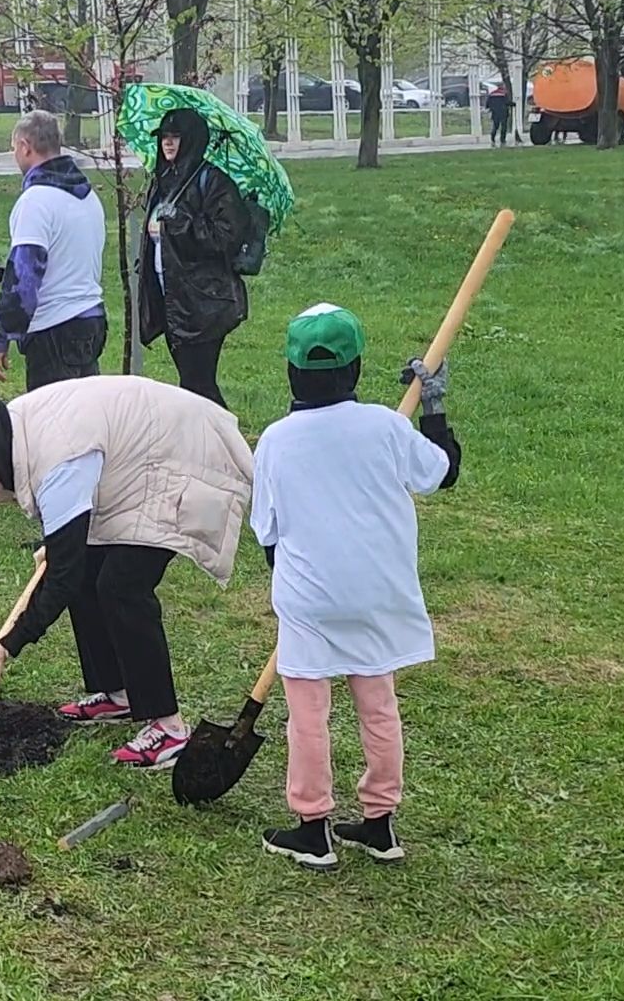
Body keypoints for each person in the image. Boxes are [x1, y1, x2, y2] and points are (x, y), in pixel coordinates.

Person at [0, 376, 255, 770]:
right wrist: (60, 545)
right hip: (137, 454)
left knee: (122, 587)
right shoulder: (10, 430)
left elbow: (62, 578)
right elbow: (70, 556)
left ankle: (168, 729)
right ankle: (117, 692)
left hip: (179, 452)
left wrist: (3, 650)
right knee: (88, 575)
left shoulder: (58, 455)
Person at [249, 303, 460, 869]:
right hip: (378, 593)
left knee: (308, 714)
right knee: (378, 705)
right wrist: (432, 403)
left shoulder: (275, 440)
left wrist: (298, 595)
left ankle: (314, 830)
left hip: (310, 597)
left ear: (292, 372)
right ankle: (379, 824)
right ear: (357, 368)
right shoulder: (387, 427)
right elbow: (444, 470)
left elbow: (266, 533)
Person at [137, 107, 252, 410]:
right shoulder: (163, 181)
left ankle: (225, 442)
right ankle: (206, 443)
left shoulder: (212, 182)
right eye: (164, 137)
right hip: (171, 299)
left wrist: (183, 223)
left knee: (197, 383)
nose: (168, 144)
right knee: (192, 384)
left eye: (176, 137)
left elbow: (226, 236)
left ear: (192, 140)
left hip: (204, 302)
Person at [0, 110, 106, 389]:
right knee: (86, 420)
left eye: (14, 148)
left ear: (25, 147)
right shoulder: (89, 197)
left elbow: (23, 277)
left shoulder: (36, 201)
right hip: (91, 319)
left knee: (54, 426)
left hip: (54, 330)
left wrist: (1, 335)